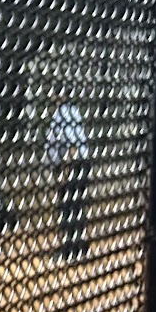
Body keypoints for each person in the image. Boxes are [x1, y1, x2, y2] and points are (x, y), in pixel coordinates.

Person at [45, 102, 90, 259]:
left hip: (72, 165)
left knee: (68, 206)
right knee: (75, 206)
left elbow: (72, 145)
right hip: (75, 164)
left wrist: (66, 171)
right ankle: (77, 247)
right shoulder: (71, 110)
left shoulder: (63, 113)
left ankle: (70, 249)